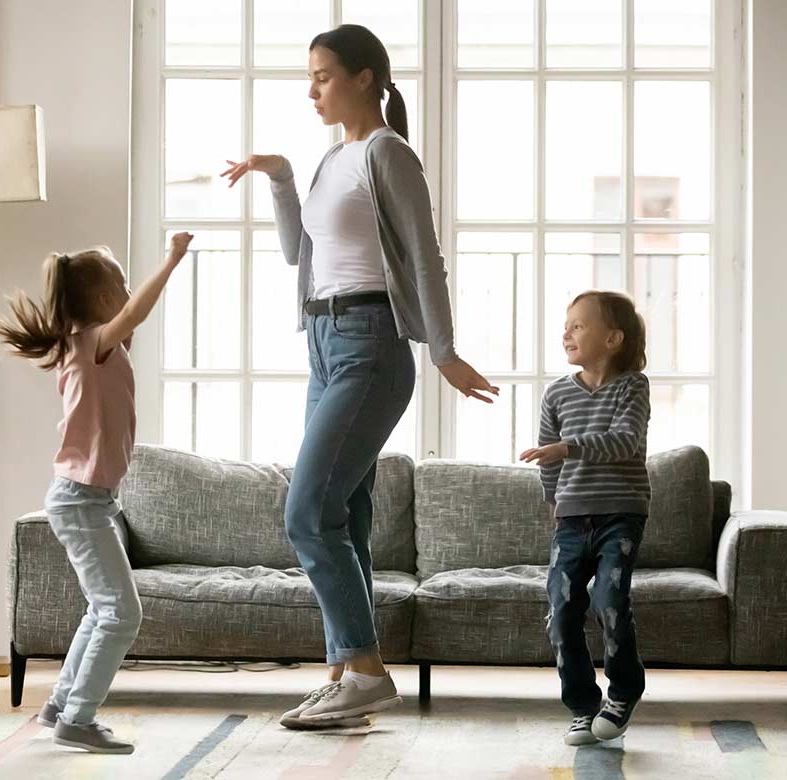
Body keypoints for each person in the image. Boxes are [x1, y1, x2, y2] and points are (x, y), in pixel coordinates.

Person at [221, 24, 497, 729]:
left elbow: (426, 257)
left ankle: (366, 672)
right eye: (309, 77)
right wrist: (281, 178)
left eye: (323, 76)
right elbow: (296, 253)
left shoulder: (388, 154)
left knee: (307, 513)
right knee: (348, 514)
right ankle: (345, 671)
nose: (312, 89)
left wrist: (443, 349)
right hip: (323, 340)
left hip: (370, 343)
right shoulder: (329, 161)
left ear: (365, 78)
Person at [0, 234, 193, 753]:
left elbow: (130, 324)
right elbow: (137, 314)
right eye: (121, 283)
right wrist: (170, 260)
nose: (128, 292)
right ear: (102, 302)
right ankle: (78, 718)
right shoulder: (91, 344)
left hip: (88, 500)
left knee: (102, 609)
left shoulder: (98, 348)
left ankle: (61, 705)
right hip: (80, 500)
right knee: (122, 614)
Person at [519, 290, 652, 746]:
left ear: (613, 338)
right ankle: (582, 705)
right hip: (572, 520)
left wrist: (570, 447)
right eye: (567, 324)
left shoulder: (633, 386)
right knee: (560, 609)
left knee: (610, 601)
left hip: (621, 515)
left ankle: (623, 692)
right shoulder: (557, 392)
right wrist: (554, 503)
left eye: (578, 325)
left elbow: (625, 442)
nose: (566, 333)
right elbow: (547, 460)